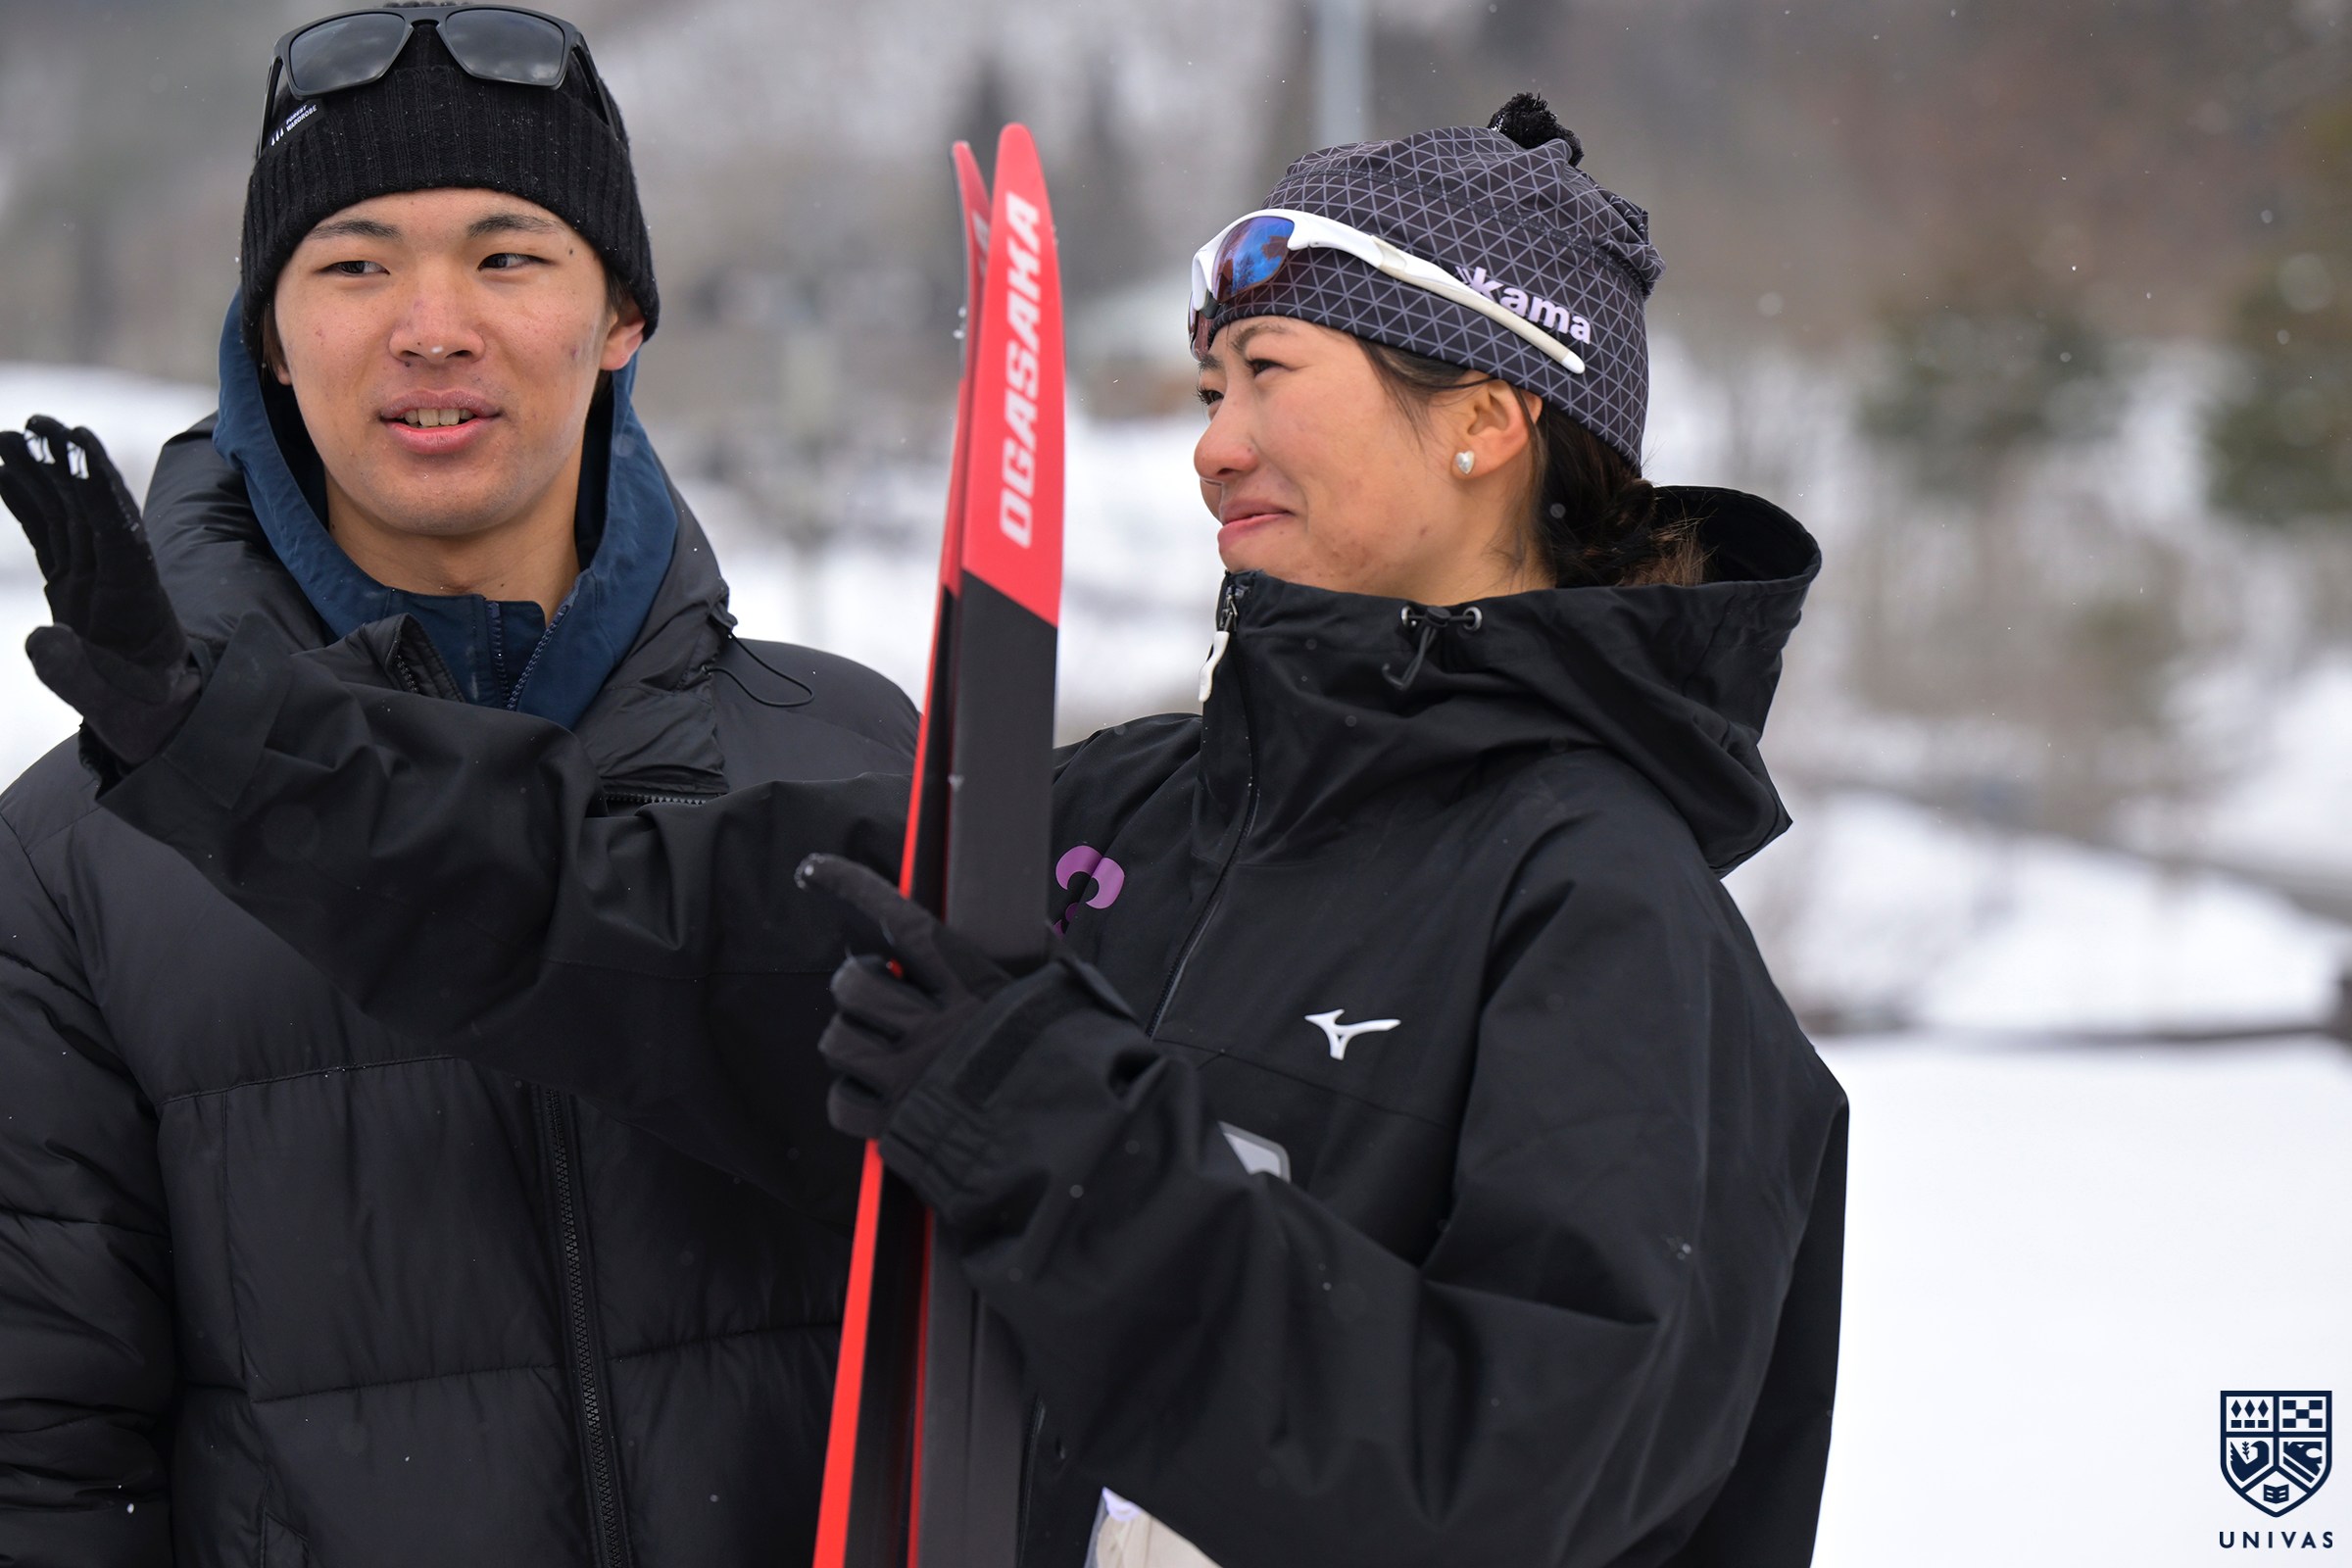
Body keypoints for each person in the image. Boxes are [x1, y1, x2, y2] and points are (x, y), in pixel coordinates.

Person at [14, 94, 1848, 1567]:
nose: (1211, 445)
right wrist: (220, 734)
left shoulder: (1611, 917)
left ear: (1488, 420)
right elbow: (633, 916)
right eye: (1210, 390)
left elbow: (1509, 1491)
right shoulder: (1145, 815)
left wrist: (1057, 1129)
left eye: (1270, 373)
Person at [0, 7, 913, 1566]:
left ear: (620, 315)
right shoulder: (83, 853)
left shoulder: (848, 754)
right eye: (355, 266)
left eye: (508, 256)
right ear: (270, 337)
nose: (432, 327)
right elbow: (42, 1458)